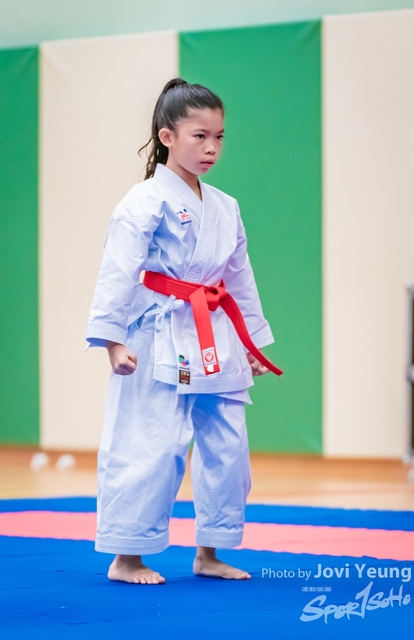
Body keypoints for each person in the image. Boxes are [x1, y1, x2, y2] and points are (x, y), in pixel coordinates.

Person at [86, 78, 282, 585]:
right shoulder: (143, 200)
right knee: (151, 445)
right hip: (157, 331)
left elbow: (239, 277)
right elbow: (118, 270)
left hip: (215, 331)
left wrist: (252, 344)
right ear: (167, 136)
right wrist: (112, 340)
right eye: (200, 136)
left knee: (228, 446)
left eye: (219, 137)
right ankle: (127, 557)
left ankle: (210, 551)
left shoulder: (225, 205)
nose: (212, 148)